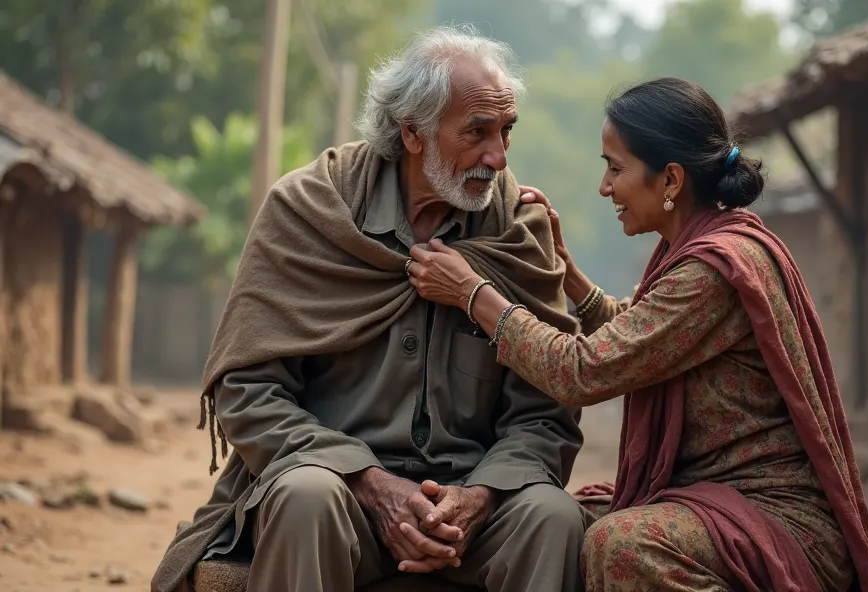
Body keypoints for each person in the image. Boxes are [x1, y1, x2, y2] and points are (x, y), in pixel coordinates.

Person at [150, 25, 590, 592]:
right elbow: (249, 391)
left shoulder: (516, 229)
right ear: (413, 132)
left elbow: (545, 412)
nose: (498, 157)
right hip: (337, 489)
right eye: (477, 133)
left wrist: (478, 497)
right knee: (305, 497)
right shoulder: (309, 210)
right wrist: (367, 481)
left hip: (473, 508)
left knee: (551, 518)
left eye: (506, 131)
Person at [408, 77, 868, 592]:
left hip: (775, 519)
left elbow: (581, 371)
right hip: (719, 505)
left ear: (671, 180)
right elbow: (640, 338)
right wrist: (565, 270)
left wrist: (472, 294)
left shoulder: (713, 271)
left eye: (616, 168)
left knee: (623, 545)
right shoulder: (698, 245)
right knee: (556, 523)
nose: (605, 186)